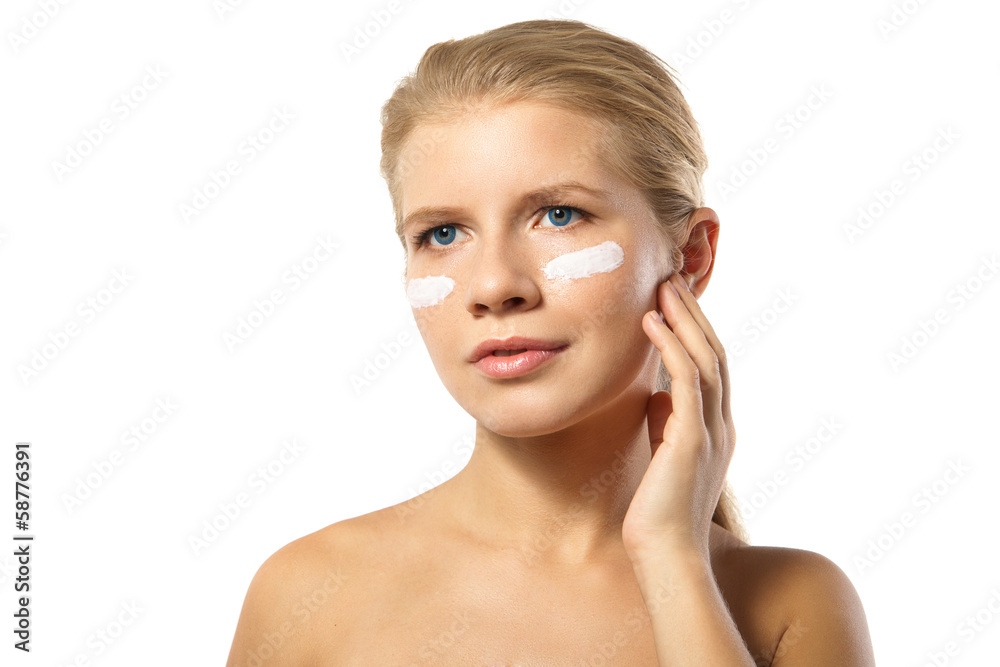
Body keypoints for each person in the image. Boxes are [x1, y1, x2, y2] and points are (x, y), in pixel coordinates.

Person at [226, 19, 876, 665]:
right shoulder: (305, 595)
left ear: (691, 256)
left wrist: (673, 557)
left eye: (559, 215)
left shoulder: (794, 605)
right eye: (443, 234)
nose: (493, 285)